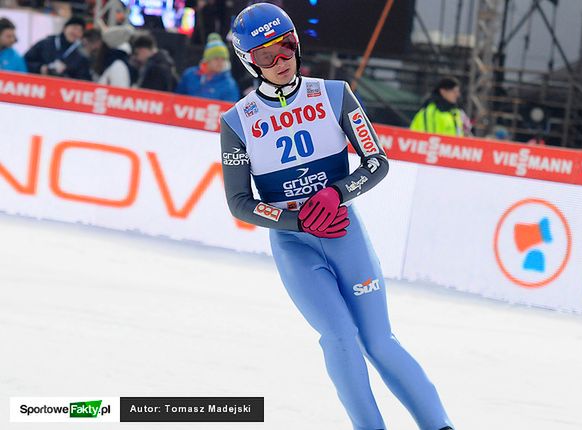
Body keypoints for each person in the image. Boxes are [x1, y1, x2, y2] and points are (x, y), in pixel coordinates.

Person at [220, 4, 454, 430]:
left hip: (345, 232)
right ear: (248, 60)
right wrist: (297, 223)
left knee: (379, 342)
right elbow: (239, 201)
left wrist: (337, 193)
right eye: (267, 54)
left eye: (287, 46)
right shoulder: (237, 121)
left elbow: (377, 162)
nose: (281, 59)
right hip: (295, 245)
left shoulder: (334, 93)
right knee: (340, 339)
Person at [175, 33, 239, 102]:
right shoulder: (190, 75)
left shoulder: (229, 85)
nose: (220, 63)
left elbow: (229, 109)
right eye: (216, 58)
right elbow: (176, 99)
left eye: (223, 59)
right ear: (207, 60)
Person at [24, 16, 90, 80]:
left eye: (80, 31)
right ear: (65, 28)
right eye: (74, 28)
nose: (76, 33)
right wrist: (41, 68)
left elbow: (84, 79)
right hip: (39, 86)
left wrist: (66, 74)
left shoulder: (81, 55)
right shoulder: (45, 44)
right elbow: (25, 61)